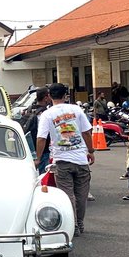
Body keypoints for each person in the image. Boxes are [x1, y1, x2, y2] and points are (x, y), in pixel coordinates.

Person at [35, 83, 94, 237]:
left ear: (49, 95)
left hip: (61, 161)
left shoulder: (47, 114)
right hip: (81, 159)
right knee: (81, 195)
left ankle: (72, 224)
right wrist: (91, 151)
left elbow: (41, 138)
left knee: (67, 195)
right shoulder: (76, 109)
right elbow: (87, 132)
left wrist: (38, 158)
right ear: (65, 95)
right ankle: (80, 222)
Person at [23, 86, 51, 172]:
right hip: (42, 150)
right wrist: (38, 157)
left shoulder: (29, 109)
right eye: (49, 95)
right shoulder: (45, 113)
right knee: (43, 176)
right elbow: (42, 136)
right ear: (45, 98)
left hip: (29, 148)